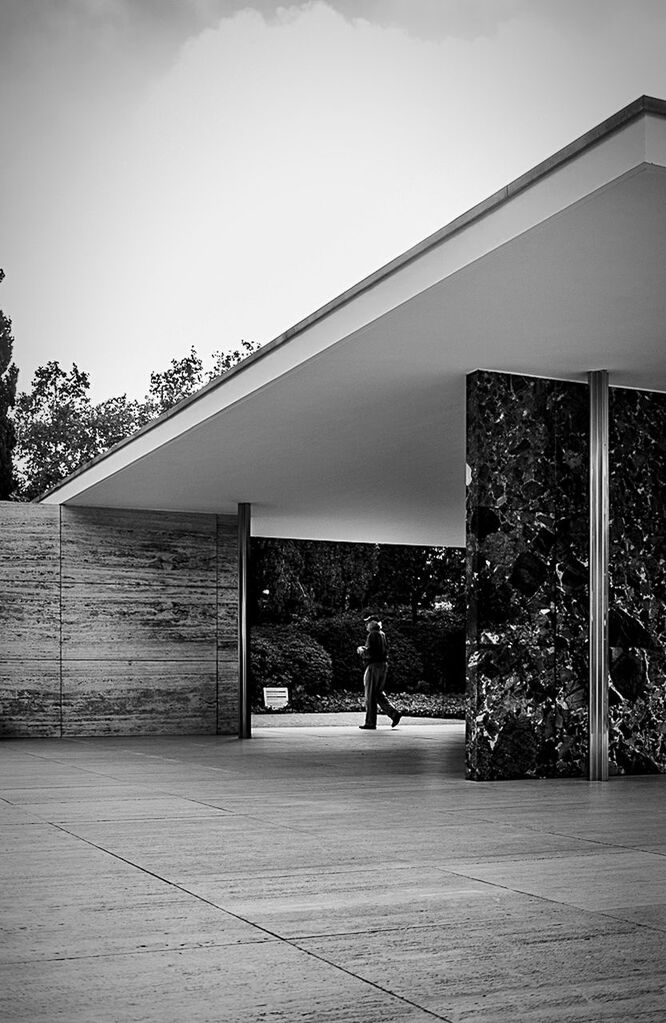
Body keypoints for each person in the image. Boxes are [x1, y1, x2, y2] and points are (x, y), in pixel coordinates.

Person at [357, 617, 402, 730]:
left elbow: (370, 652)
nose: (366, 625)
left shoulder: (372, 634)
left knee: (370, 694)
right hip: (383, 665)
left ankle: (370, 723)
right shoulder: (382, 634)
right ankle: (394, 714)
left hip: (374, 666)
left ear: (372, 623)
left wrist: (361, 650)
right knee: (378, 693)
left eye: (367, 622)